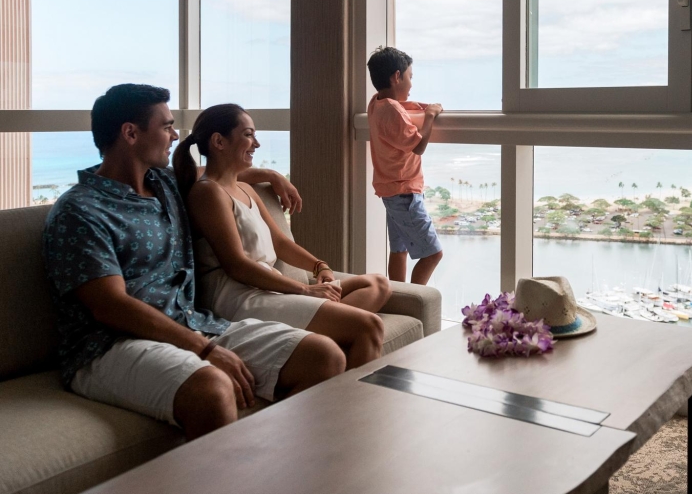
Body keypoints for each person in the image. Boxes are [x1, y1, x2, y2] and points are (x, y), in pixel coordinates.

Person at [43, 84, 346, 441]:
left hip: (191, 322)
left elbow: (224, 175)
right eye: (166, 126)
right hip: (110, 346)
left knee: (323, 355)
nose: (174, 135)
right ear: (130, 133)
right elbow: (111, 307)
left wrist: (272, 175)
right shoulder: (81, 210)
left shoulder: (165, 185)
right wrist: (203, 348)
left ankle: (272, 466)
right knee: (213, 389)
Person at [173, 103, 388, 370]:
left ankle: (321, 338)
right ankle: (352, 400)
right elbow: (236, 265)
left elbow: (281, 243)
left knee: (378, 284)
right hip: (239, 298)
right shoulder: (208, 193)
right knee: (368, 325)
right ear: (219, 141)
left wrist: (321, 267)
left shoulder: (245, 189)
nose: (257, 144)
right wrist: (305, 289)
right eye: (249, 135)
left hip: (269, 287)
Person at [366, 46, 444, 285]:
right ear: (396, 77)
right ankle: (415, 300)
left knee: (399, 251)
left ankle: (397, 297)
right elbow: (418, 146)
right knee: (433, 253)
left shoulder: (376, 102)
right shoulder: (392, 111)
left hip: (390, 191)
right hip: (404, 193)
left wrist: (422, 106)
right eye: (409, 77)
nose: (411, 85)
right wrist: (429, 116)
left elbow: (400, 106)